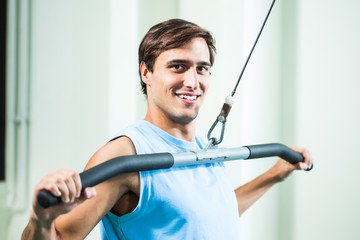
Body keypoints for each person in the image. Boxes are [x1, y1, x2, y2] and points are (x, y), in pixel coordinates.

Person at [21, 19, 313, 239]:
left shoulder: (202, 147)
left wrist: (275, 173)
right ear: (146, 72)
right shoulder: (125, 155)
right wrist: (41, 221)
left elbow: (207, 218)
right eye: (178, 66)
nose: (192, 81)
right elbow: (60, 236)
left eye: (202, 68)